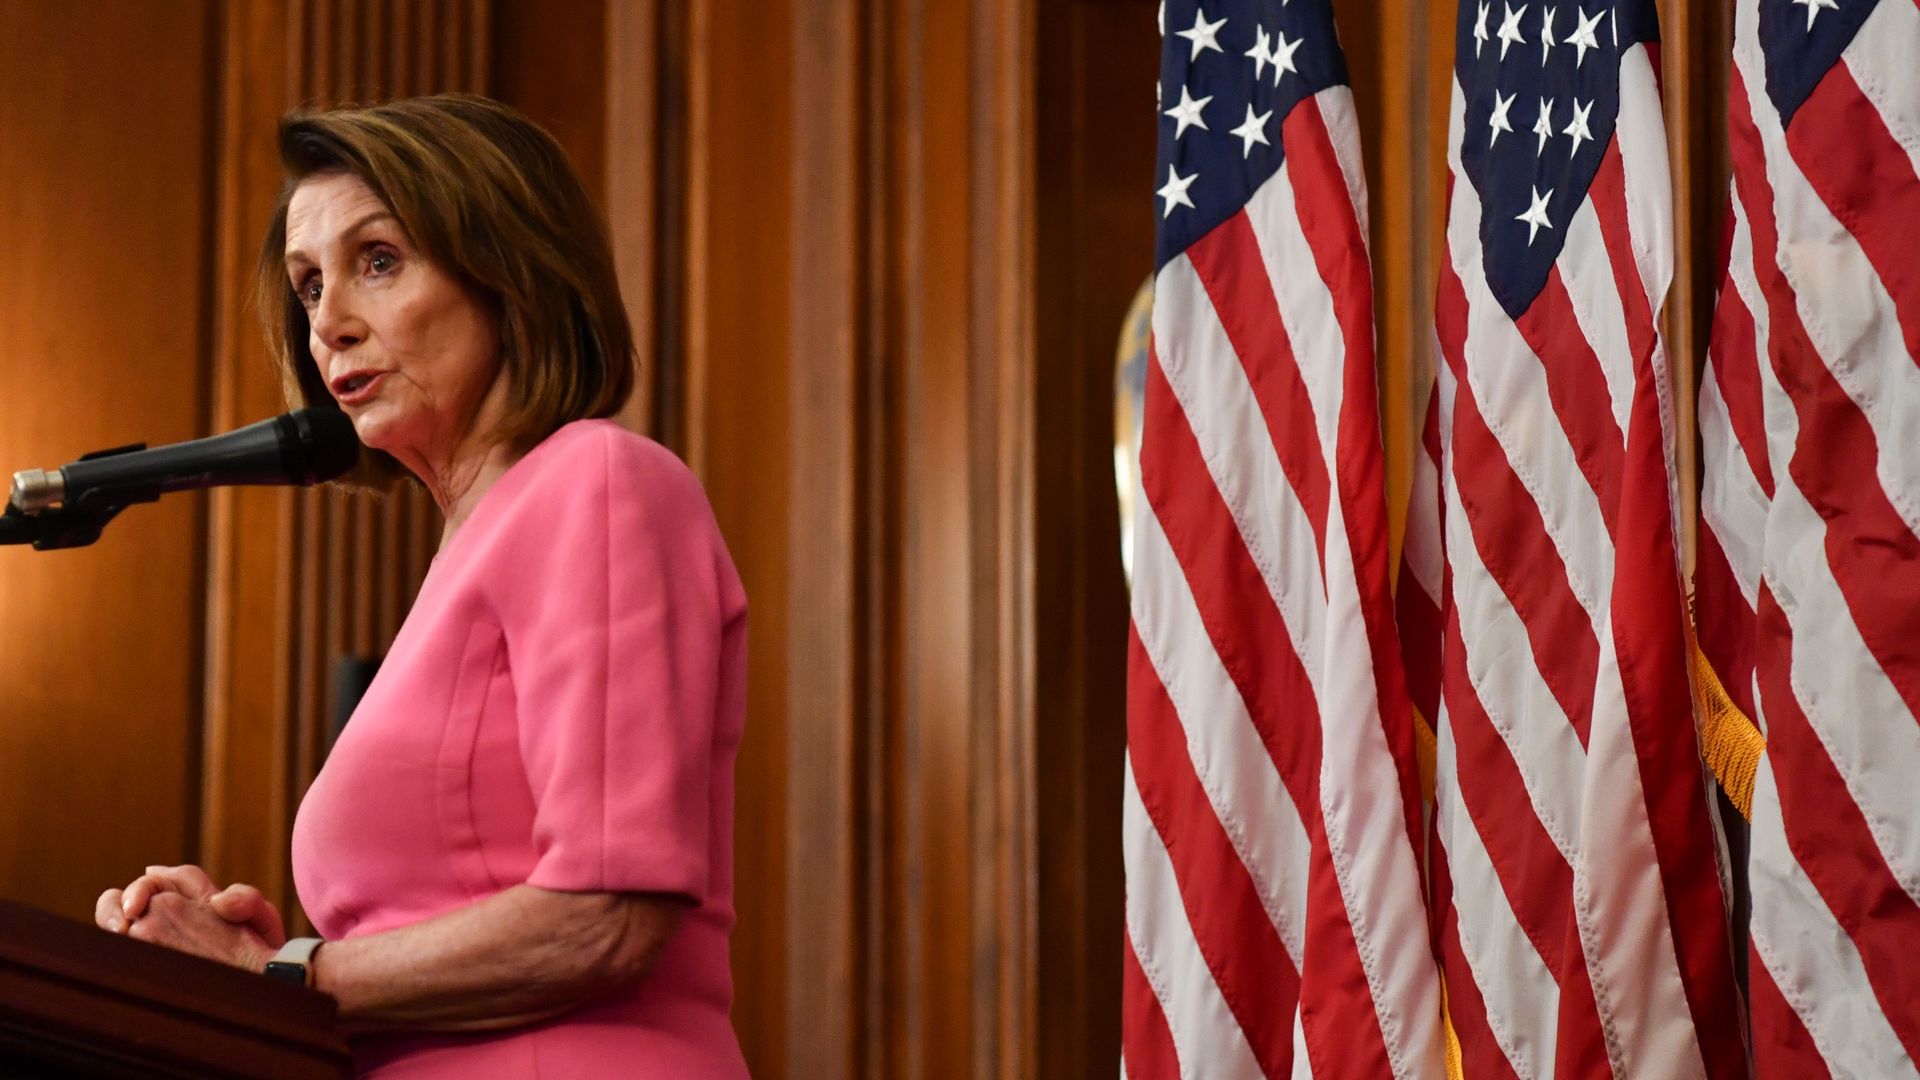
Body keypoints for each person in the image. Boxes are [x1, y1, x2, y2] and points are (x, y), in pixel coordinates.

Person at [91, 93, 750, 1078]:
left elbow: (609, 916)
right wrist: (238, 958)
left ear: (509, 269)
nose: (331, 326)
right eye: (309, 287)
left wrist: (283, 975)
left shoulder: (598, 482)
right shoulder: (462, 562)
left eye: (380, 261)